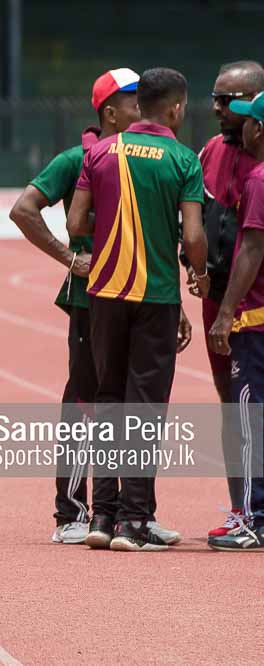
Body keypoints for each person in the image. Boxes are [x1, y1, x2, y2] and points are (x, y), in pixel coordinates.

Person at [10, 69, 190, 545]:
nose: (142, 108)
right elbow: (23, 209)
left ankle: (134, 513)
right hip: (93, 299)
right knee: (89, 402)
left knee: (133, 404)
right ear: (111, 112)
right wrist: (70, 258)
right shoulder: (79, 158)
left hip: (140, 293)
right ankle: (73, 510)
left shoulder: (145, 155)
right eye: (133, 101)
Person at [67, 67, 209, 552]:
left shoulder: (100, 152)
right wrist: (200, 273)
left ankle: (103, 516)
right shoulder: (183, 159)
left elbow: (76, 221)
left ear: (140, 105)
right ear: (175, 108)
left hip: (104, 293)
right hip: (156, 296)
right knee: (145, 408)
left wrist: (113, 228)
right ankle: (134, 521)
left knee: (108, 399)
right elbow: (193, 235)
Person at [193, 61, 264, 537]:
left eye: (227, 100)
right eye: (215, 98)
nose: (217, 107)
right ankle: (242, 507)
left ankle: (255, 513)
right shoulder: (211, 151)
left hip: (249, 303)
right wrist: (194, 265)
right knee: (231, 403)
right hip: (217, 297)